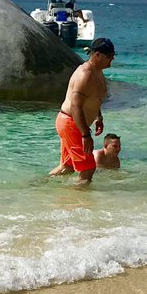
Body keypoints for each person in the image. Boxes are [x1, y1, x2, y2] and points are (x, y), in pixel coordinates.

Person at [49, 38, 114, 185]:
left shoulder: (97, 71)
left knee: (68, 167)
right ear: (97, 55)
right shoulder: (85, 74)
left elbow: (95, 98)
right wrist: (85, 135)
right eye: (109, 56)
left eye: (113, 55)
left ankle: (40, 185)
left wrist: (99, 117)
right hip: (71, 123)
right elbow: (75, 106)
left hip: (73, 124)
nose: (112, 59)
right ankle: (79, 204)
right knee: (88, 169)